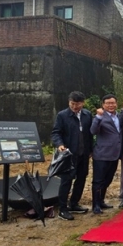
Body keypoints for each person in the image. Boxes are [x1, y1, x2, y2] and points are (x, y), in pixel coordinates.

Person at [51, 91, 93, 221]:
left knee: (81, 179)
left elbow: (90, 134)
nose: (75, 106)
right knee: (66, 181)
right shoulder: (62, 115)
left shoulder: (87, 115)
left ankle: (74, 203)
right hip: (69, 155)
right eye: (72, 103)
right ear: (69, 102)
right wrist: (60, 144)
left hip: (83, 154)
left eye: (78, 104)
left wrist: (90, 149)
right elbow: (56, 133)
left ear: (83, 103)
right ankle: (63, 209)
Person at [90, 94, 122, 214]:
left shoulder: (118, 116)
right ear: (103, 105)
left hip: (114, 154)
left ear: (116, 104)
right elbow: (93, 131)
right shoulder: (100, 117)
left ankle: (102, 201)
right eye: (108, 103)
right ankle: (95, 205)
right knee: (98, 180)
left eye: (113, 103)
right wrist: (98, 117)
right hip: (102, 154)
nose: (111, 105)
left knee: (108, 179)